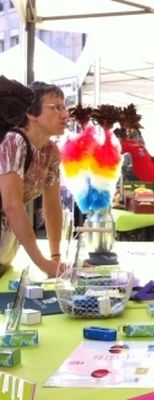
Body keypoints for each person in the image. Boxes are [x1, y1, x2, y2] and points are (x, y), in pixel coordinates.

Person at [0, 79, 68, 278]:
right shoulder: (14, 141)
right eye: (55, 107)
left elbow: (53, 205)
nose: (64, 114)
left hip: (7, 244)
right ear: (31, 113)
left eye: (64, 107)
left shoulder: (51, 152)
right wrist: (43, 264)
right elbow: (12, 205)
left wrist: (55, 257)